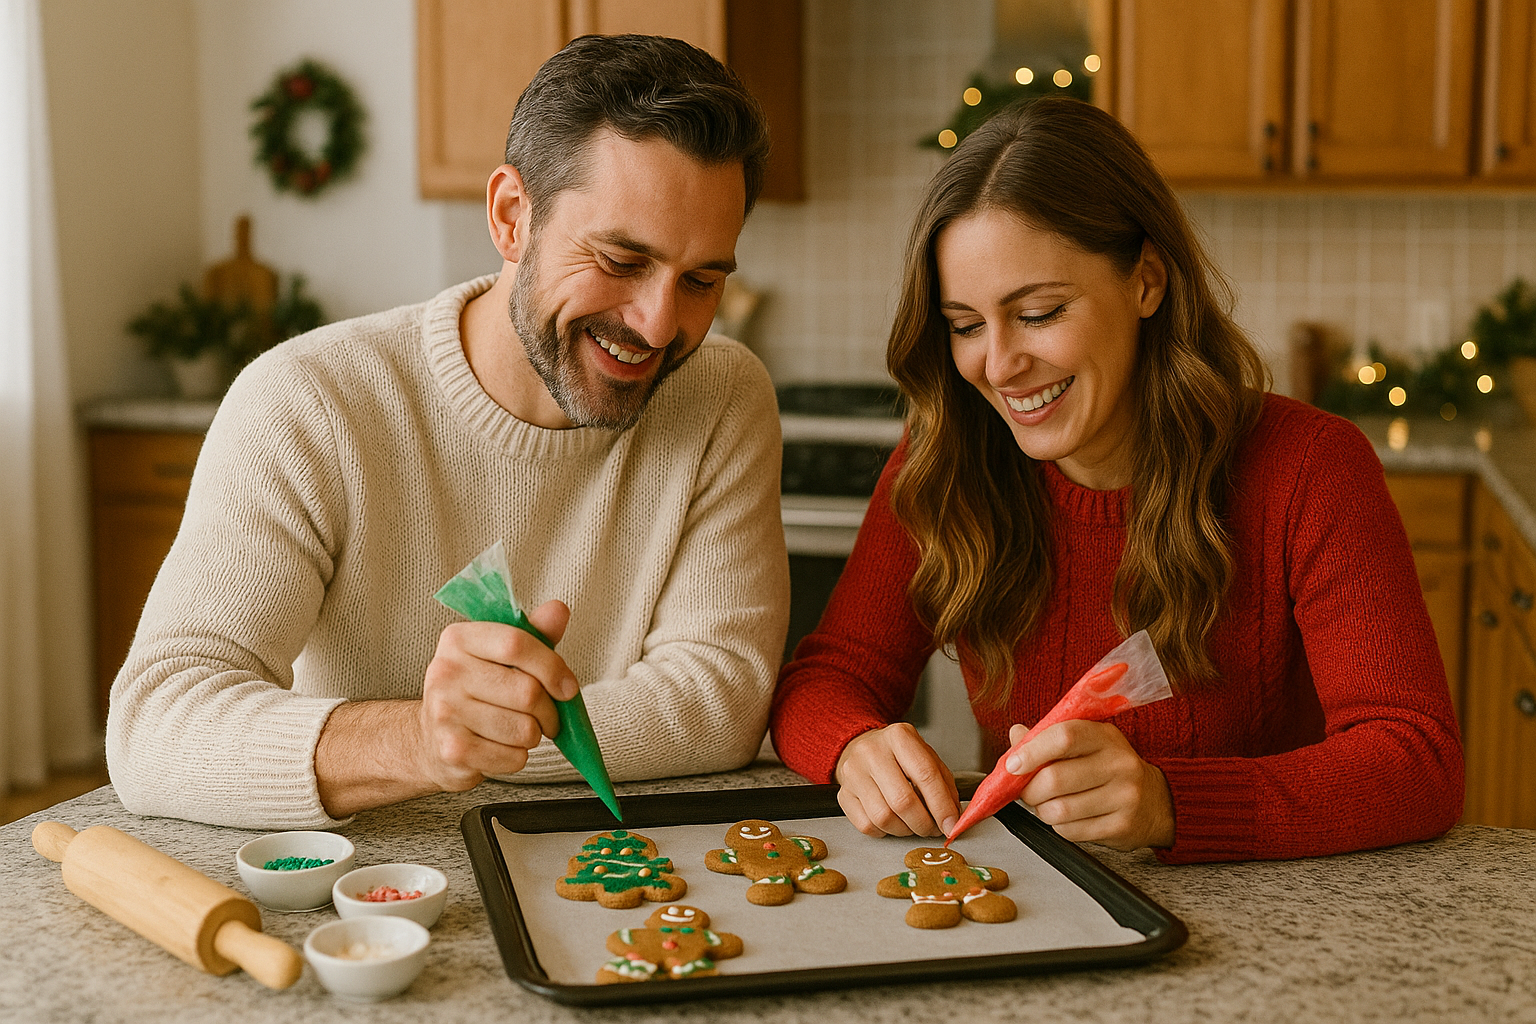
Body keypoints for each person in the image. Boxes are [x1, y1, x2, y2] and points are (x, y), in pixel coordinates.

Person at [106, 35, 789, 830]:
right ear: (510, 216)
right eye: (619, 259)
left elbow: (721, 703)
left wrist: (488, 734)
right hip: (370, 906)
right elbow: (159, 721)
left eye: (702, 280)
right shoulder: (308, 402)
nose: (660, 324)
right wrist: (423, 741)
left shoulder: (721, 395)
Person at [770, 98, 1463, 863]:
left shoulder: (1309, 467)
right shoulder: (946, 463)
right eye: (966, 325)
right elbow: (827, 678)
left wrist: (1170, 803)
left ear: (1147, 282)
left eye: (1037, 313)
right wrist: (854, 745)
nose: (998, 366)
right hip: (1042, 911)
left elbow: (1416, 759)